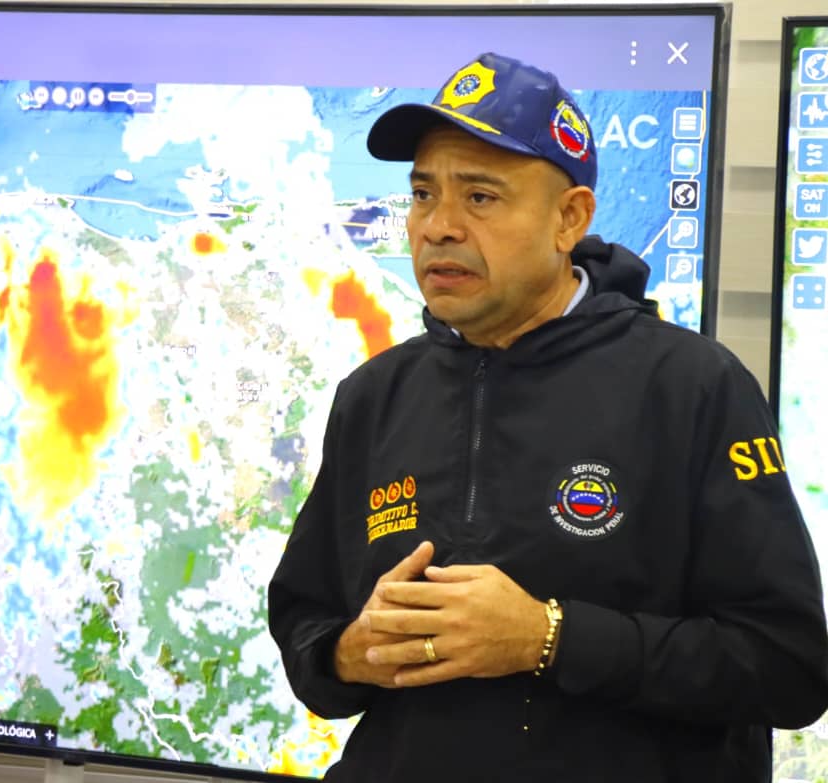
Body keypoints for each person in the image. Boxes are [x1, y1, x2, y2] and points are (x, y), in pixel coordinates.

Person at [267, 52, 828, 781]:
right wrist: (353, 651)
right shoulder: (373, 395)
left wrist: (548, 636)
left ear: (571, 219)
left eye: (480, 197)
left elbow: (787, 664)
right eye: (421, 193)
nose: (437, 226)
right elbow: (307, 627)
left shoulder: (692, 386)